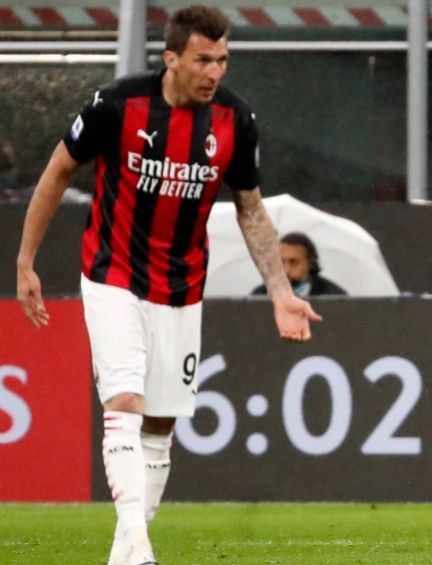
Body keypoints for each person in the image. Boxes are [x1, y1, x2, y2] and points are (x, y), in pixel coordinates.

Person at [15, 6, 322, 565]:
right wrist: (26, 259)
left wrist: (280, 290)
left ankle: (123, 551)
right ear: (172, 58)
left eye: (223, 60)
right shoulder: (117, 104)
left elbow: (251, 211)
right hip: (112, 274)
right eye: (203, 59)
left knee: (160, 423)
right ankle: (139, 546)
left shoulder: (236, 121)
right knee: (125, 400)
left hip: (182, 287)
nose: (214, 72)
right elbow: (59, 170)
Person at [252, 231, 346, 297]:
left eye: (294, 262)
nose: (286, 270)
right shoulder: (261, 295)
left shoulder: (333, 296)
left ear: (310, 263)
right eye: (281, 263)